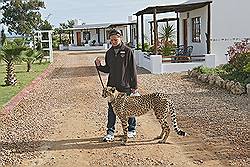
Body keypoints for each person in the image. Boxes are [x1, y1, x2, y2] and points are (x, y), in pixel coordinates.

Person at [95, 29, 138, 142]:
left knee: (128, 108)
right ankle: (110, 132)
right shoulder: (109, 53)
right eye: (112, 40)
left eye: (116, 39)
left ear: (120, 38)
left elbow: (132, 69)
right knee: (111, 109)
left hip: (125, 86)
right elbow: (108, 69)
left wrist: (134, 85)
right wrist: (99, 66)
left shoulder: (128, 51)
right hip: (112, 87)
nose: (113, 41)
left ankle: (131, 130)